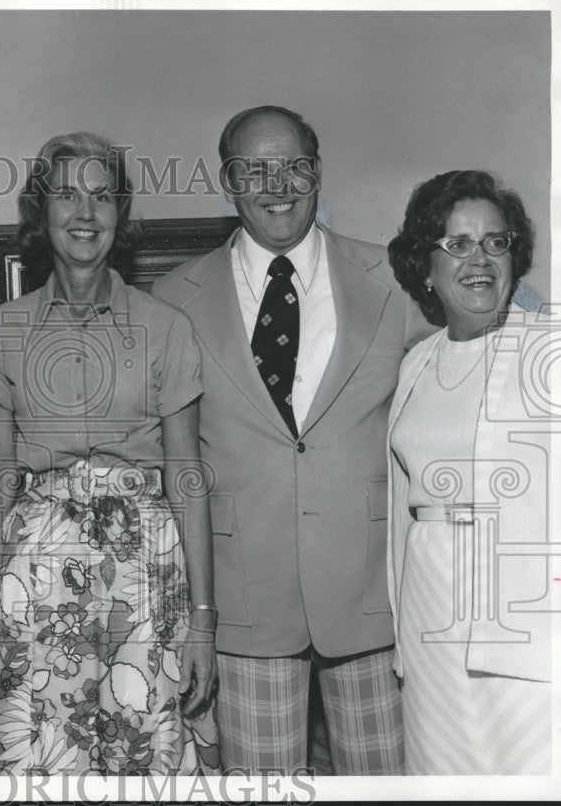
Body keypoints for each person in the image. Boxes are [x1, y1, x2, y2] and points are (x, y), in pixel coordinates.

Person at [153, 106, 432, 775]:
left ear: (318, 172)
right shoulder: (172, 299)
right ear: (227, 181)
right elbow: (174, 462)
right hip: (246, 603)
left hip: (374, 601)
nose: (276, 182)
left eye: (293, 164)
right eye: (253, 167)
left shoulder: (393, 283)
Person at [0, 132, 220, 774]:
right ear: (40, 212)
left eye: (102, 196)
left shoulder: (167, 327)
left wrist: (203, 619)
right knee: (44, 761)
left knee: (143, 753)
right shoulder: (2, 328)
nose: (84, 213)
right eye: (66, 195)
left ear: (121, 213)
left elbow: (187, 476)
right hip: (32, 580)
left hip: (146, 577)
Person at [386, 170, 558, 774]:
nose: (480, 259)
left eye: (495, 241)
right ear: (425, 268)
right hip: (430, 611)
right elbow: (399, 507)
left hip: (527, 626)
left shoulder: (551, 351)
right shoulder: (417, 363)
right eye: (457, 244)